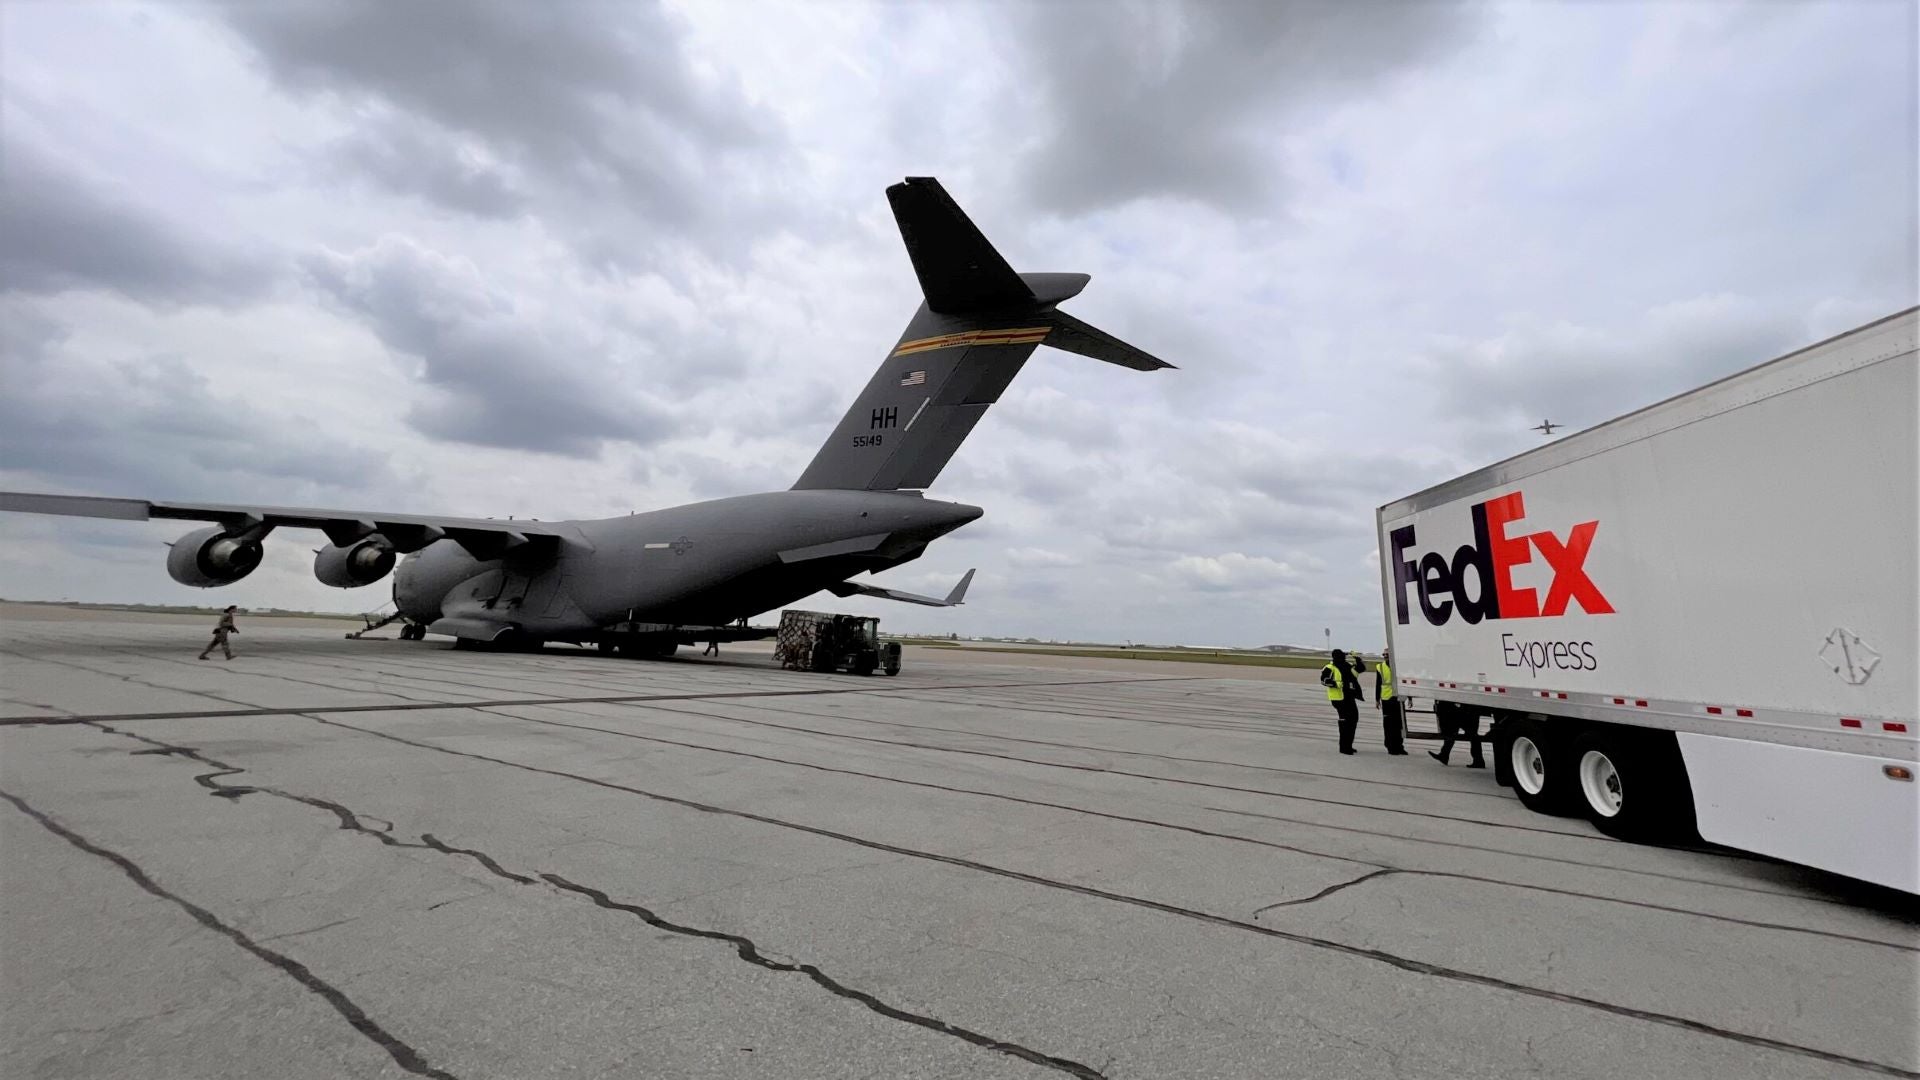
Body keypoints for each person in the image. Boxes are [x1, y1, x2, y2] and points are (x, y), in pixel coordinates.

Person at [1320, 648, 1365, 754]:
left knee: (1353, 719)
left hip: (1349, 697)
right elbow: (1323, 680)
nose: (1343, 657)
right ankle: (1344, 747)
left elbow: (1360, 668)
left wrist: (1357, 658)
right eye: (1341, 655)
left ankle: (1348, 744)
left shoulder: (1347, 666)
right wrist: (1336, 684)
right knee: (1345, 722)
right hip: (1339, 699)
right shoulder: (1330, 667)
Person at [1430, 700, 1486, 768]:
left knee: (1465, 733)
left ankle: (1444, 755)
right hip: (1470, 711)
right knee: (1470, 734)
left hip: (1469, 712)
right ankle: (1478, 760)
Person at [1373, 649, 1408, 755]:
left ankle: (1399, 746)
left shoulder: (1398, 666)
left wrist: (1409, 697)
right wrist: (1377, 699)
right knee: (1388, 724)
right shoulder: (1380, 667)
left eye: (1387, 655)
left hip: (1397, 698)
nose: (1385, 656)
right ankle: (1390, 746)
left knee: (1399, 724)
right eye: (1384, 655)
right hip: (1386, 698)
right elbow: (1378, 684)